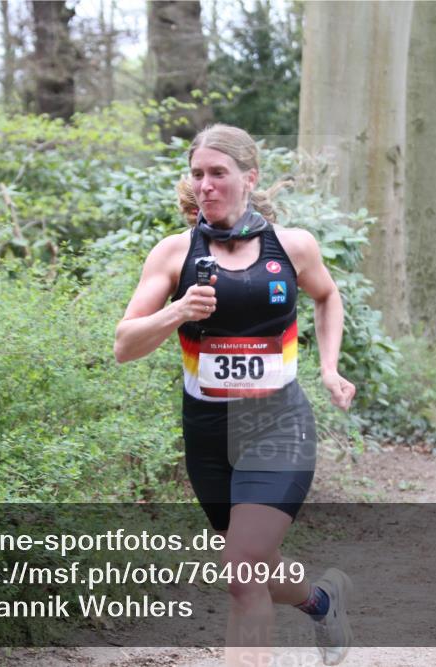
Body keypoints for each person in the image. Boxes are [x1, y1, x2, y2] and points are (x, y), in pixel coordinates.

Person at [114, 124, 356, 666]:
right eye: (197, 174)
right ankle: (320, 601)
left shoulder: (292, 246)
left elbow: (327, 296)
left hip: (278, 425)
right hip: (208, 435)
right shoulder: (175, 254)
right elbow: (125, 344)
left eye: (218, 173)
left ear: (249, 178)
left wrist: (330, 366)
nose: (205, 185)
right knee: (254, 563)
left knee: (242, 570)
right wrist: (177, 311)